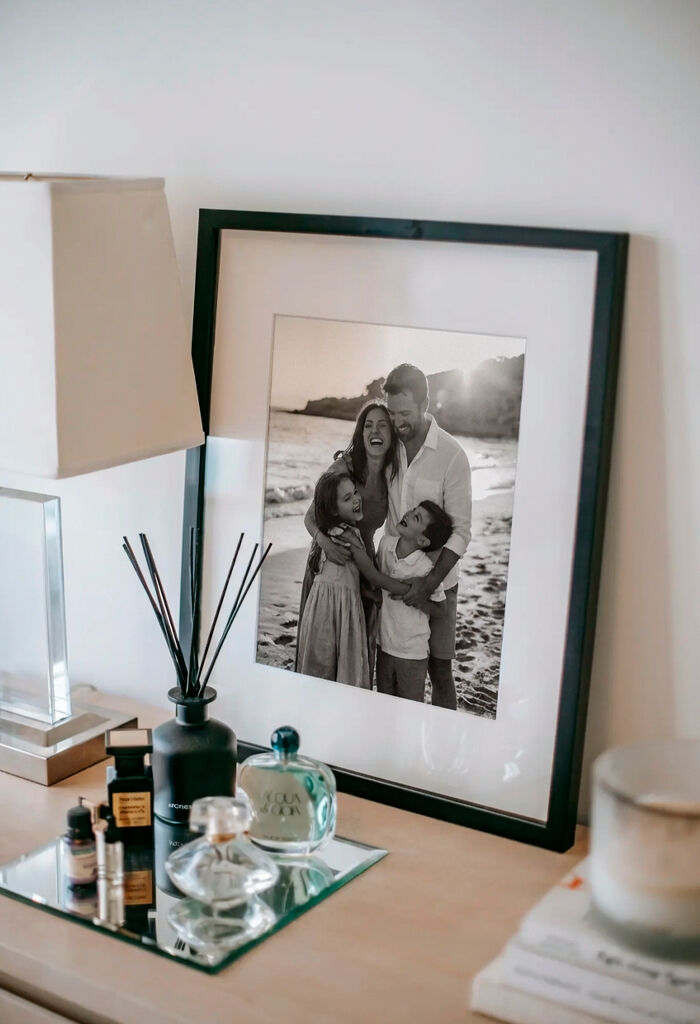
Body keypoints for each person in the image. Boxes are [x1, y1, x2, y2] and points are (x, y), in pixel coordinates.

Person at [383, 364, 472, 710]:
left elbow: (462, 531)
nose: (396, 422)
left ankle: (442, 747)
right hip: (392, 583)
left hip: (439, 585)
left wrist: (429, 582)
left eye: (404, 413)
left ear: (425, 405)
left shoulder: (452, 456)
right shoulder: (389, 447)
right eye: (391, 413)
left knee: (439, 670)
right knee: (389, 664)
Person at [299, 401, 399, 675]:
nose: (374, 431)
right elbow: (311, 516)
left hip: (364, 563)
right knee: (323, 650)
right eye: (368, 425)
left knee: (356, 650)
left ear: (391, 435)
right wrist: (326, 543)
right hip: (330, 559)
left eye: (382, 425)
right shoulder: (343, 467)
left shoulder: (394, 475)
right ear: (360, 432)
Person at [344, 501, 453, 703]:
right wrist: (371, 593)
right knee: (385, 701)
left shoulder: (426, 568)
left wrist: (417, 599)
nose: (409, 514)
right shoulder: (385, 544)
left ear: (422, 540)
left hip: (412, 652)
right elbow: (374, 582)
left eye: (417, 517)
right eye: (413, 510)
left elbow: (441, 609)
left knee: (410, 705)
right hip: (384, 644)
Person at [295, 470, 371, 689]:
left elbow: (352, 575)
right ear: (333, 509)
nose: (356, 499)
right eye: (347, 498)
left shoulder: (331, 532)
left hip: (320, 607)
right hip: (335, 608)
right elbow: (371, 575)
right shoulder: (347, 536)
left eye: (355, 493)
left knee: (320, 665)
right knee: (335, 665)